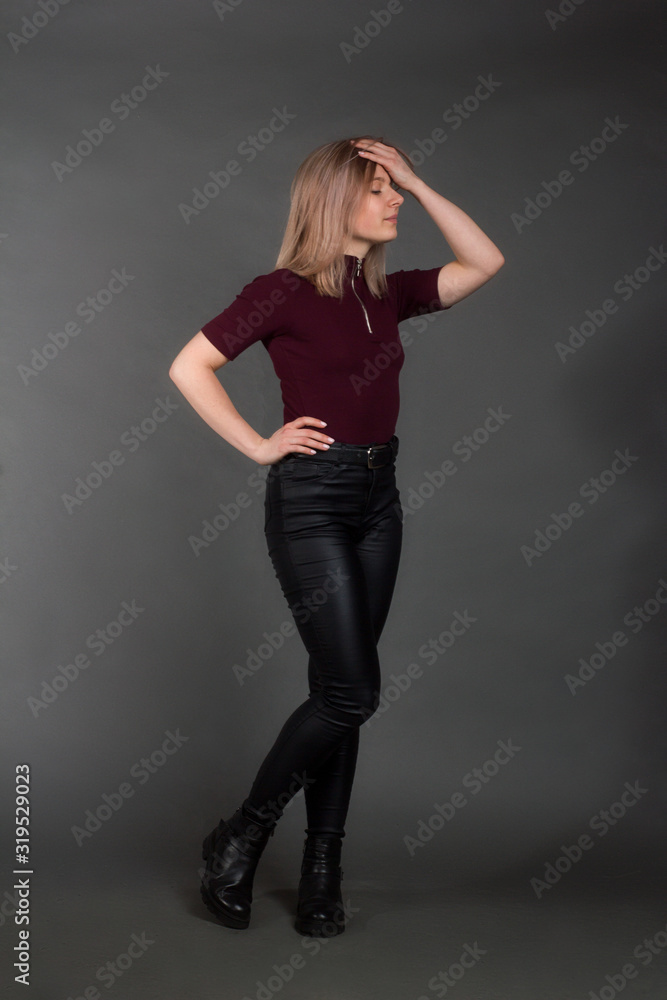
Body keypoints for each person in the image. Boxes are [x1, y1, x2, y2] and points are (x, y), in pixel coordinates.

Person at [169, 135, 504, 937]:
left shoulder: (385, 293)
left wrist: (420, 181)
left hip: (377, 501)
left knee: (339, 694)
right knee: (352, 691)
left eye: (395, 191)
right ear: (335, 201)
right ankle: (242, 833)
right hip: (312, 502)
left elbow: (484, 261)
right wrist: (259, 444)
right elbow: (189, 366)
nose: (394, 203)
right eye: (380, 190)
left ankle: (323, 871)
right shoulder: (279, 291)